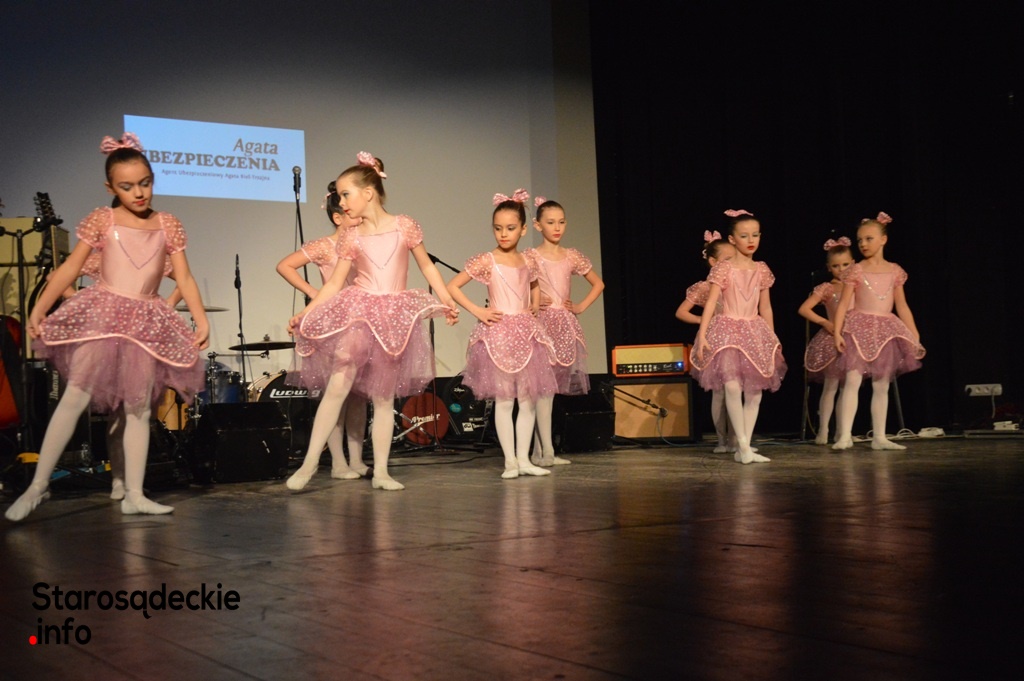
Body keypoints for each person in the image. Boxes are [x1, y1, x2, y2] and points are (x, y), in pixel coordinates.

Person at [6, 132, 208, 521]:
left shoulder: (167, 224)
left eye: (145, 183)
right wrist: (40, 307)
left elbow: (183, 276)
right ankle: (38, 486)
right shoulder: (104, 219)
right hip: (106, 315)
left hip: (146, 320)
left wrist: (200, 318)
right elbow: (70, 267)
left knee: (138, 409)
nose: (139, 193)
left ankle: (134, 493)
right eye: (127, 186)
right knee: (75, 397)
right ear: (110, 187)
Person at [286, 152, 458, 491]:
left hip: (393, 317)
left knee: (382, 397)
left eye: (345, 194)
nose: (341, 202)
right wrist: (308, 311)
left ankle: (380, 471)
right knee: (337, 387)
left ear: (368, 193)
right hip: (360, 313)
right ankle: (308, 465)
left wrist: (446, 298)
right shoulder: (351, 236)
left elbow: (426, 265)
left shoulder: (404, 225)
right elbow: (335, 283)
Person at [447, 190, 557, 479]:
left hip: (526, 333)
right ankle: (510, 461)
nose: (503, 234)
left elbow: (534, 284)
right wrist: (478, 310)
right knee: (505, 399)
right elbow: (453, 286)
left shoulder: (528, 260)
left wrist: (534, 305)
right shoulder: (488, 260)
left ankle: (524, 459)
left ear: (523, 229)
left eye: (510, 228)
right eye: (498, 228)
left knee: (528, 399)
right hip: (499, 334)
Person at [277, 181, 367, 479]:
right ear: (337, 217)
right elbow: (285, 265)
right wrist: (314, 294)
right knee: (336, 393)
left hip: (362, 321)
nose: (358, 217)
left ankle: (357, 459)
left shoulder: (363, 243)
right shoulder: (324, 246)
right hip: (334, 324)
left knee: (359, 395)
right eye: (351, 214)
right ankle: (338, 462)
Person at [691, 209, 786, 464]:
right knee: (732, 387)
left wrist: (771, 339)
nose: (751, 240)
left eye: (755, 234)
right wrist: (703, 334)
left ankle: (745, 444)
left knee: (755, 391)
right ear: (732, 240)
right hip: (727, 329)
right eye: (744, 236)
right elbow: (710, 303)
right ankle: (741, 446)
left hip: (754, 329)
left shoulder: (762, 269)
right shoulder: (723, 268)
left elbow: (766, 307)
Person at [832, 213, 924, 450]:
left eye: (869, 239)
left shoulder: (894, 271)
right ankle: (845, 435)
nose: (863, 244)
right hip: (858, 328)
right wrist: (838, 332)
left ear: (883, 240)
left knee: (882, 384)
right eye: (860, 240)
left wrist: (914, 334)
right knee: (852, 380)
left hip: (885, 331)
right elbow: (843, 304)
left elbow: (902, 306)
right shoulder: (856, 270)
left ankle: (880, 437)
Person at [523, 196, 604, 466]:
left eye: (561, 222)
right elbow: (516, 286)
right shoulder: (530, 257)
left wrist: (579, 306)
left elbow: (598, 284)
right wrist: (533, 299)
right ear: (537, 225)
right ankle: (545, 451)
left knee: (549, 391)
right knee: (542, 390)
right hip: (541, 324)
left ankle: (541, 451)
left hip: (564, 326)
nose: (557, 227)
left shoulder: (572, 256)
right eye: (550, 222)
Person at [675, 231, 736, 453]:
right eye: (727, 259)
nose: (731, 264)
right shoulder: (706, 286)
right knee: (720, 391)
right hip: (716, 340)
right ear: (713, 261)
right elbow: (681, 312)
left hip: (737, 338)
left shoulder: (738, 282)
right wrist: (703, 320)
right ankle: (722, 440)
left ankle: (738, 441)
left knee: (737, 390)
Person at [799, 237, 855, 445]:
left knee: (848, 388)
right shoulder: (827, 288)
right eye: (836, 266)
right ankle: (823, 430)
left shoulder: (858, 285)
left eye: (846, 264)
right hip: (832, 339)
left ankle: (842, 432)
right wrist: (824, 322)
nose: (841, 270)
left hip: (853, 339)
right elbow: (804, 308)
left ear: (853, 264)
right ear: (829, 268)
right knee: (831, 386)